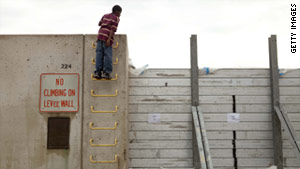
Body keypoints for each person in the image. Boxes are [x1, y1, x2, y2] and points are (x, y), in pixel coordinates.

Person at [94, 5, 122, 79]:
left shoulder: (105, 15)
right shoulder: (116, 18)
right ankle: (106, 73)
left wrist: (105, 23)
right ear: (117, 12)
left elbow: (99, 24)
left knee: (99, 55)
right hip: (107, 36)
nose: (120, 15)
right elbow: (113, 29)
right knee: (107, 55)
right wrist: (109, 39)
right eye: (120, 13)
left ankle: (98, 72)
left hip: (100, 35)